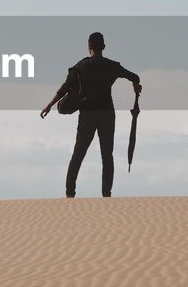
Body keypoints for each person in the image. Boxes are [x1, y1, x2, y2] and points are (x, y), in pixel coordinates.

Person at [40, 31, 141, 198]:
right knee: (107, 156)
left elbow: (64, 88)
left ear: (89, 47)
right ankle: (106, 194)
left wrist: (50, 105)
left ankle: (69, 194)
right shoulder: (111, 66)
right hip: (107, 115)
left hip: (87, 115)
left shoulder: (80, 67)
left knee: (78, 154)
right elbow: (134, 76)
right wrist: (135, 86)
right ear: (104, 47)